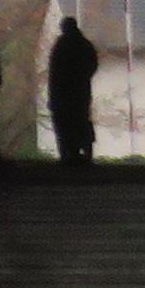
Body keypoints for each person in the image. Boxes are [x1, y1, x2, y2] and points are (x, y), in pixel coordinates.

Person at [47, 14, 100, 172]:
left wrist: (53, 95)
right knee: (81, 121)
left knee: (64, 124)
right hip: (80, 92)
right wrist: (82, 78)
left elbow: (54, 73)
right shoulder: (84, 45)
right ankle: (85, 151)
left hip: (62, 93)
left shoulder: (60, 46)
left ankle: (67, 155)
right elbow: (93, 65)